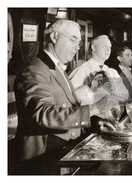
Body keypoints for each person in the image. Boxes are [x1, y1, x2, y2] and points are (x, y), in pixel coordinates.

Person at [14, 20, 113, 174]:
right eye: (73, 39)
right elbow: (44, 114)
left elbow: (68, 105)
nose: (78, 46)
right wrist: (92, 109)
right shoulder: (35, 70)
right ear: (54, 36)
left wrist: (97, 121)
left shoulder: (56, 67)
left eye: (79, 42)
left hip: (64, 151)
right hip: (43, 159)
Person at [69, 35, 129, 106]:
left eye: (110, 47)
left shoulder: (112, 72)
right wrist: (90, 88)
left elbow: (125, 97)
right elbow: (71, 99)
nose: (108, 50)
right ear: (93, 47)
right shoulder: (81, 70)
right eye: (104, 46)